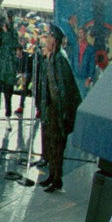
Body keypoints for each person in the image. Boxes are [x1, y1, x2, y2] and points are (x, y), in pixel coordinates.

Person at [36, 23, 81, 192]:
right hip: (52, 109)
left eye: (48, 36)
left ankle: (57, 179)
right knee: (51, 144)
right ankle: (52, 176)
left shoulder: (60, 59)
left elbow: (62, 90)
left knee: (57, 145)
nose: (46, 39)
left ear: (55, 40)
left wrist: (62, 116)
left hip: (60, 110)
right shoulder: (51, 58)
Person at [0, 10, 19, 120]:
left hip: (9, 68)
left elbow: (14, 45)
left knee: (8, 94)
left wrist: (7, 32)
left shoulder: (13, 32)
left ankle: (8, 117)